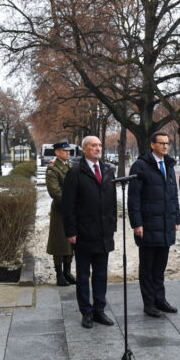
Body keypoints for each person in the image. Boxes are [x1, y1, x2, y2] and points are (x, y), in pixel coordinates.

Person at [62, 136, 117, 329]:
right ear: (84, 149)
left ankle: (99, 310)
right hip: (84, 232)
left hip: (104, 233)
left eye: (100, 145)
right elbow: (68, 205)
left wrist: (112, 227)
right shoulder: (76, 171)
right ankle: (86, 312)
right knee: (83, 275)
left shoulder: (108, 170)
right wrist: (71, 231)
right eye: (93, 146)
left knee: (101, 274)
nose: (97, 148)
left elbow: (111, 202)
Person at [128, 132, 180, 317]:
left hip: (166, 224)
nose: (165, 147)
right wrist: (137, 223)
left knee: (160, 267)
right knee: (147, 268)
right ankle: (149, 304)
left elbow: (173, 195)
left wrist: (176, 219)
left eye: (168, 143)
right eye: (161, 143)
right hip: (148, 224)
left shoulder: (169, 165)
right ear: (152, 145)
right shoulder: (140, 166)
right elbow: (134, 198)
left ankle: (160, 299)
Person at [46, 142, 76, 286]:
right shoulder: (53, 169)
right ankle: (59, 274)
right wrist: (69, 204)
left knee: (71, 241)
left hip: (73, 209)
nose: (68, 153)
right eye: (65, 151)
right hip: (60, 210)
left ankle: (67, 272)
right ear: (57, 152)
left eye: (68, 151)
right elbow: (55, 191)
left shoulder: (70, 166)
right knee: (59, 242)